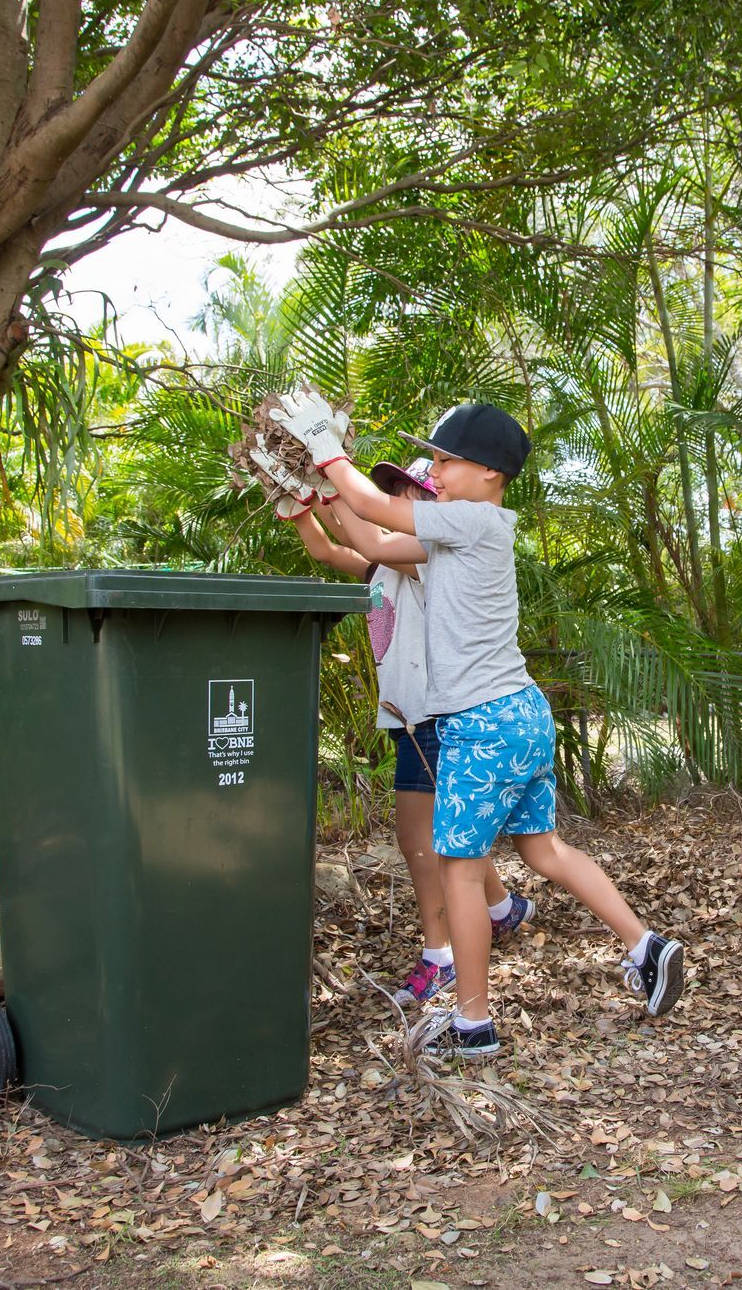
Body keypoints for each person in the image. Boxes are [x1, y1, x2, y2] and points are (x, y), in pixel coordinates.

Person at [273, 393, 688, 1057]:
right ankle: (647, 947)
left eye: (446, 458)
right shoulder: (458, 533)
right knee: (542, 851)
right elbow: (373, 540)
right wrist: (316, 491)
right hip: (519, 712)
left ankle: (472, 1025)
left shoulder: (474, 520)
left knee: (460, 870)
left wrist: (326, 444)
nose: (434, 468)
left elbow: (380, 510)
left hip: (480, 723)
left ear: (490, 473)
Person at [257, 450, 534, 1004]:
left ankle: (442, 955)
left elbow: (369, 533)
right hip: (403, 714)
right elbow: (330, 548)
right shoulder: (385, 565)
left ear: (432, 504)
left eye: (408, 491)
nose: (400, 498)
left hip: (434, 714)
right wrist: (302, 503)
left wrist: (329, 485)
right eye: (395, 490)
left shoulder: (432, 557)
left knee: (420, 840)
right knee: (447, 838)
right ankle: (503, 908)